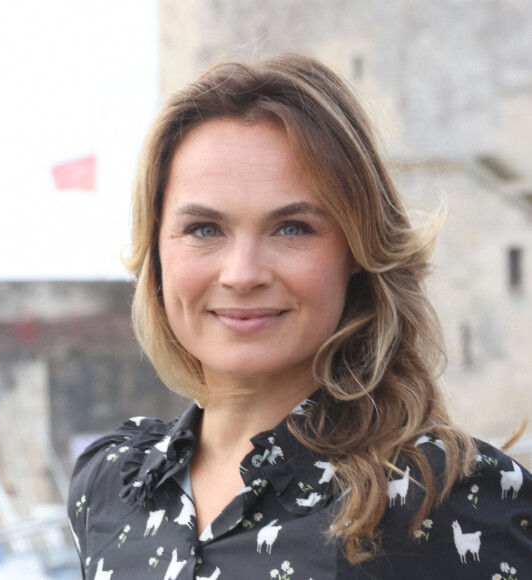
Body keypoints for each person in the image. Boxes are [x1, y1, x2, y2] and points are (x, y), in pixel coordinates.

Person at [68, 53, 532, 579]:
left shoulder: (443, 495)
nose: (242, 274)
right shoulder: (110, 482)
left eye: (291, 228)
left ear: (357, 251)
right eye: (203, 228)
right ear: (157, 248)